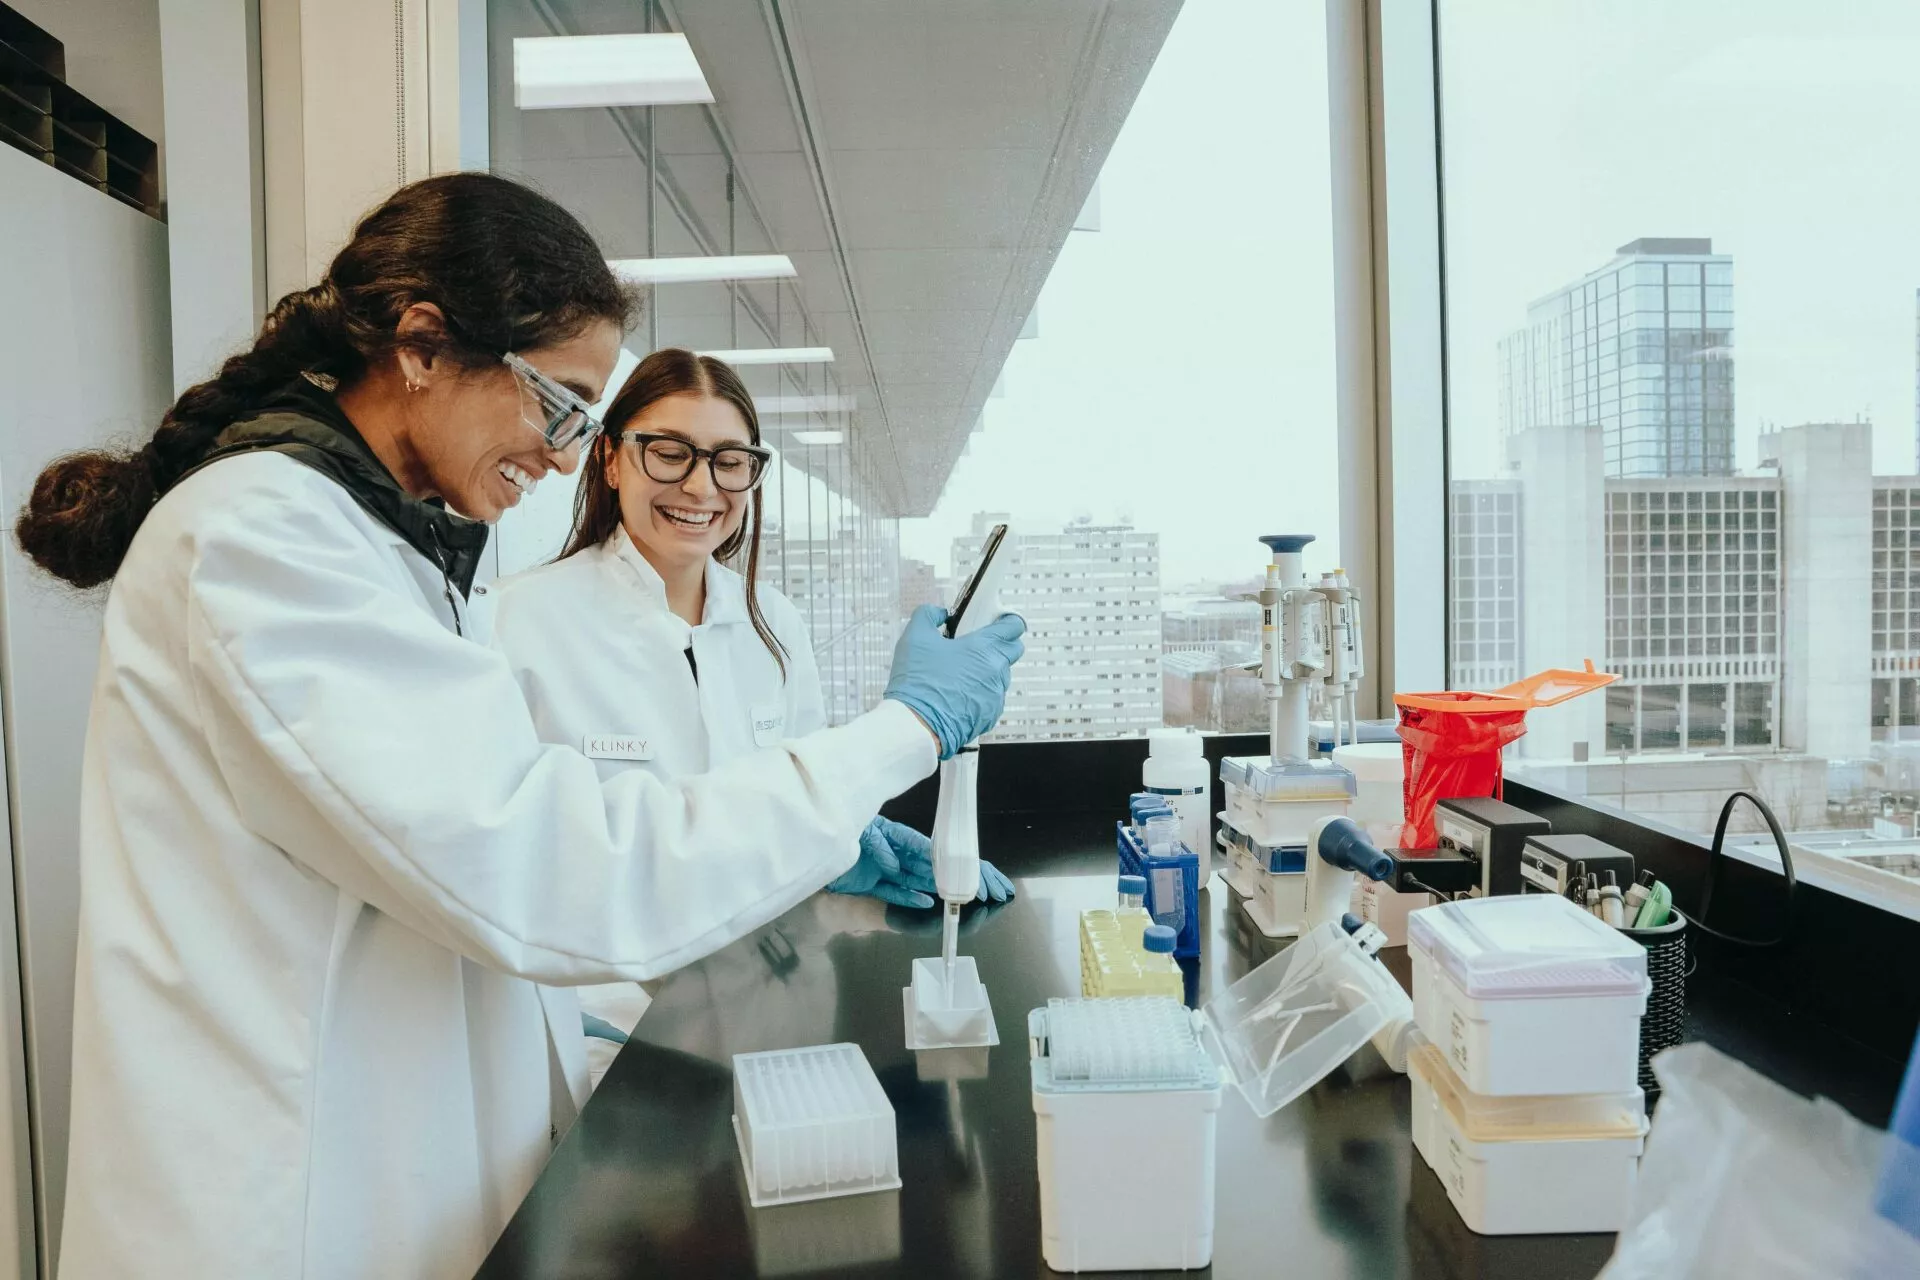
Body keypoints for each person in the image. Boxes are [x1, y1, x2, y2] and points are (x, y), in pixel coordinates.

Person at [16, 173, 1025, 1280]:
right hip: (289, 1208)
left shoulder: (381, 550)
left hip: (419, 1168)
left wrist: (820, 847)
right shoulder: (267, 543)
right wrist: (905, 730)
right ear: (423, 347)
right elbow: (554, 866)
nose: (557, 452)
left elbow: (467, 869)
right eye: (560, 405)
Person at [487, 349, 1014, 1076]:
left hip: (782, 1017)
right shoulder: (518, 626)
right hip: (613, 1050)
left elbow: (789, 806)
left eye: (731, 462)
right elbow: (540, 874)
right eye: (669, 453)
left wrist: (840, 846)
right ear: (610, 460)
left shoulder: (776, 623)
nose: (701, 485)